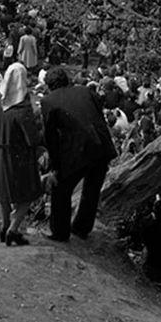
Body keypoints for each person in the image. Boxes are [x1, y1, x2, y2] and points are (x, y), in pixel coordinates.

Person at [40, 66, 117, 242]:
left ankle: (60, 232)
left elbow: (50, 137)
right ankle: (82, 228)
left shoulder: (48, 101)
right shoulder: (85, 90)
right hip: (100, 145)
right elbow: (97, 115)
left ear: (49, 85)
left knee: (61, 190)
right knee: (92, 189)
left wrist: (55, 165)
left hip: (78, 150)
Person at [0, 62, 43, 246]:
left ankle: (5, 226)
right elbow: (32, 139)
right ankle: (13, 229)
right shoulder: (22, 109)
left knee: (3, 192)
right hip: (18, 157)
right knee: (27, 195)